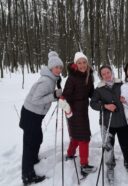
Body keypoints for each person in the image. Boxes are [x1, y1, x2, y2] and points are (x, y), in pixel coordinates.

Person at [19, 51, 63, 185]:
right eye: (56, 67)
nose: (59, 69)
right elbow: (36, 99)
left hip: (35, 115)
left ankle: (33, 159)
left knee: (37, 138)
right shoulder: (46, 81)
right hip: (31, 114)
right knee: (29, 143)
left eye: (60, 67)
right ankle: (27, 176)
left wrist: (55, 97)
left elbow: (47, 98)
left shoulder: (52, 79)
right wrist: (54, 96)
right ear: (50, 68)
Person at [90, 65, 128, 184]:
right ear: (101, 76)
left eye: (108, 72)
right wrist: (105, 106)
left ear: (111, 72)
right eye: (103, 74)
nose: (106, 75)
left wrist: (126, 99)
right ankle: (110, 167)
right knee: (108, 147)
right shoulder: (99, 89)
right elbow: (93, 103)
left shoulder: (121, 84)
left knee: (127, 145)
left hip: (122, 121)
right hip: (107, 122)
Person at [58, 52, 96, 177]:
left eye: (84, 62)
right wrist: (64, 103)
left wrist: (100, 97)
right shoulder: (72, 77)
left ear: (87, 63)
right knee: (84, 137)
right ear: (76, 64)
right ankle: (84, 165)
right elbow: (66, 94)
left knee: (76, 134)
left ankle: (70, 154)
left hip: (83, 109)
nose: (82, 65)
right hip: (73, 109)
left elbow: (91, 93)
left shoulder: (89, 76)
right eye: (79, 63)